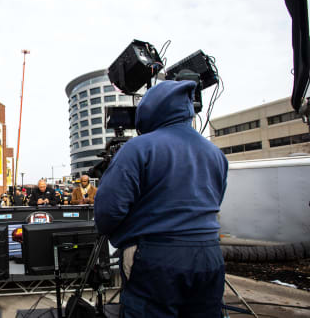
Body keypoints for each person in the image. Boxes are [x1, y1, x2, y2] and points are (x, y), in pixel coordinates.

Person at [94, 80, 228, 317]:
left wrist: (125, 234)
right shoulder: (215, 153)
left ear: (149, 110)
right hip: (210, 254)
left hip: (156, 256)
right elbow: (216, 199)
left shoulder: (138, 148)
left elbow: (108, 212)